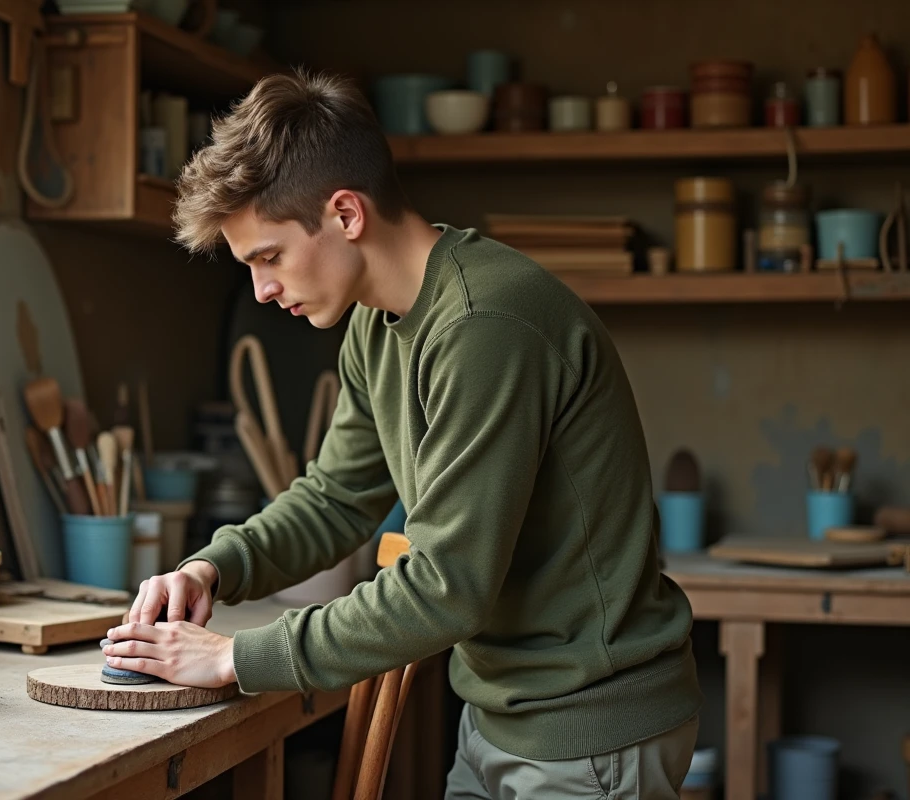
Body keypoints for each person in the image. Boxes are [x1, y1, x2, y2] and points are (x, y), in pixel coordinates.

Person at [101, 68, 702, 799]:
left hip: (588, 732)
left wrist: (235, 659)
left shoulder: (484, 325)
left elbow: (448, 588)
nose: (261, 291)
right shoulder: (374, 327)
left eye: (269, 257)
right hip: (500, 715)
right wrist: (212, 569)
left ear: (346, 214)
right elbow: (336, 498)